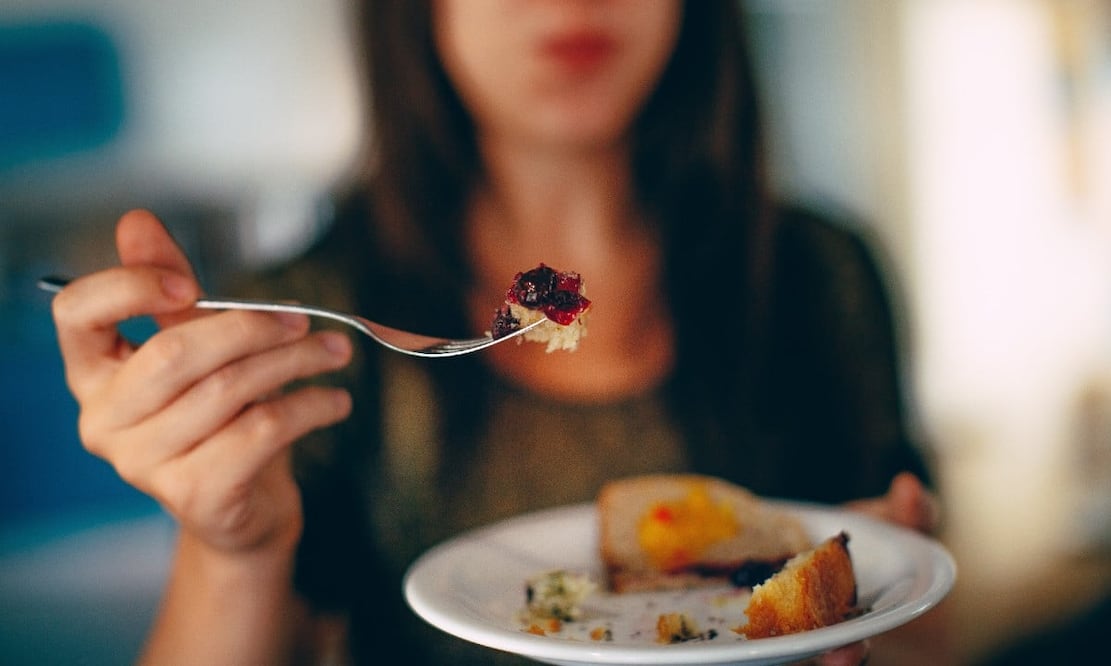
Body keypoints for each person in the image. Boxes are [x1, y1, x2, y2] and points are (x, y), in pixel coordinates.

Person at [46, 1, 949, 664]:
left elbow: (917, 630)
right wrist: (233, 549)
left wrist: (868, 612)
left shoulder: (821, 269)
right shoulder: (292, 324)